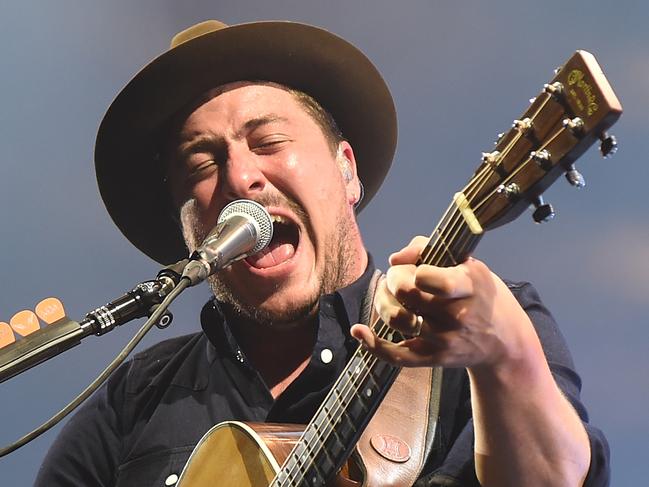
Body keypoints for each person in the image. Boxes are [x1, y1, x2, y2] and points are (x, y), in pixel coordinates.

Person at [35, 20, 610, 486]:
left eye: (269, 142)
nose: (241, 177)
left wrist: (506, 357)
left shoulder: (478, 324)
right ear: (187, 226)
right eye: (202, 165)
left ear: (347, 172)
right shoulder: (134, 399)